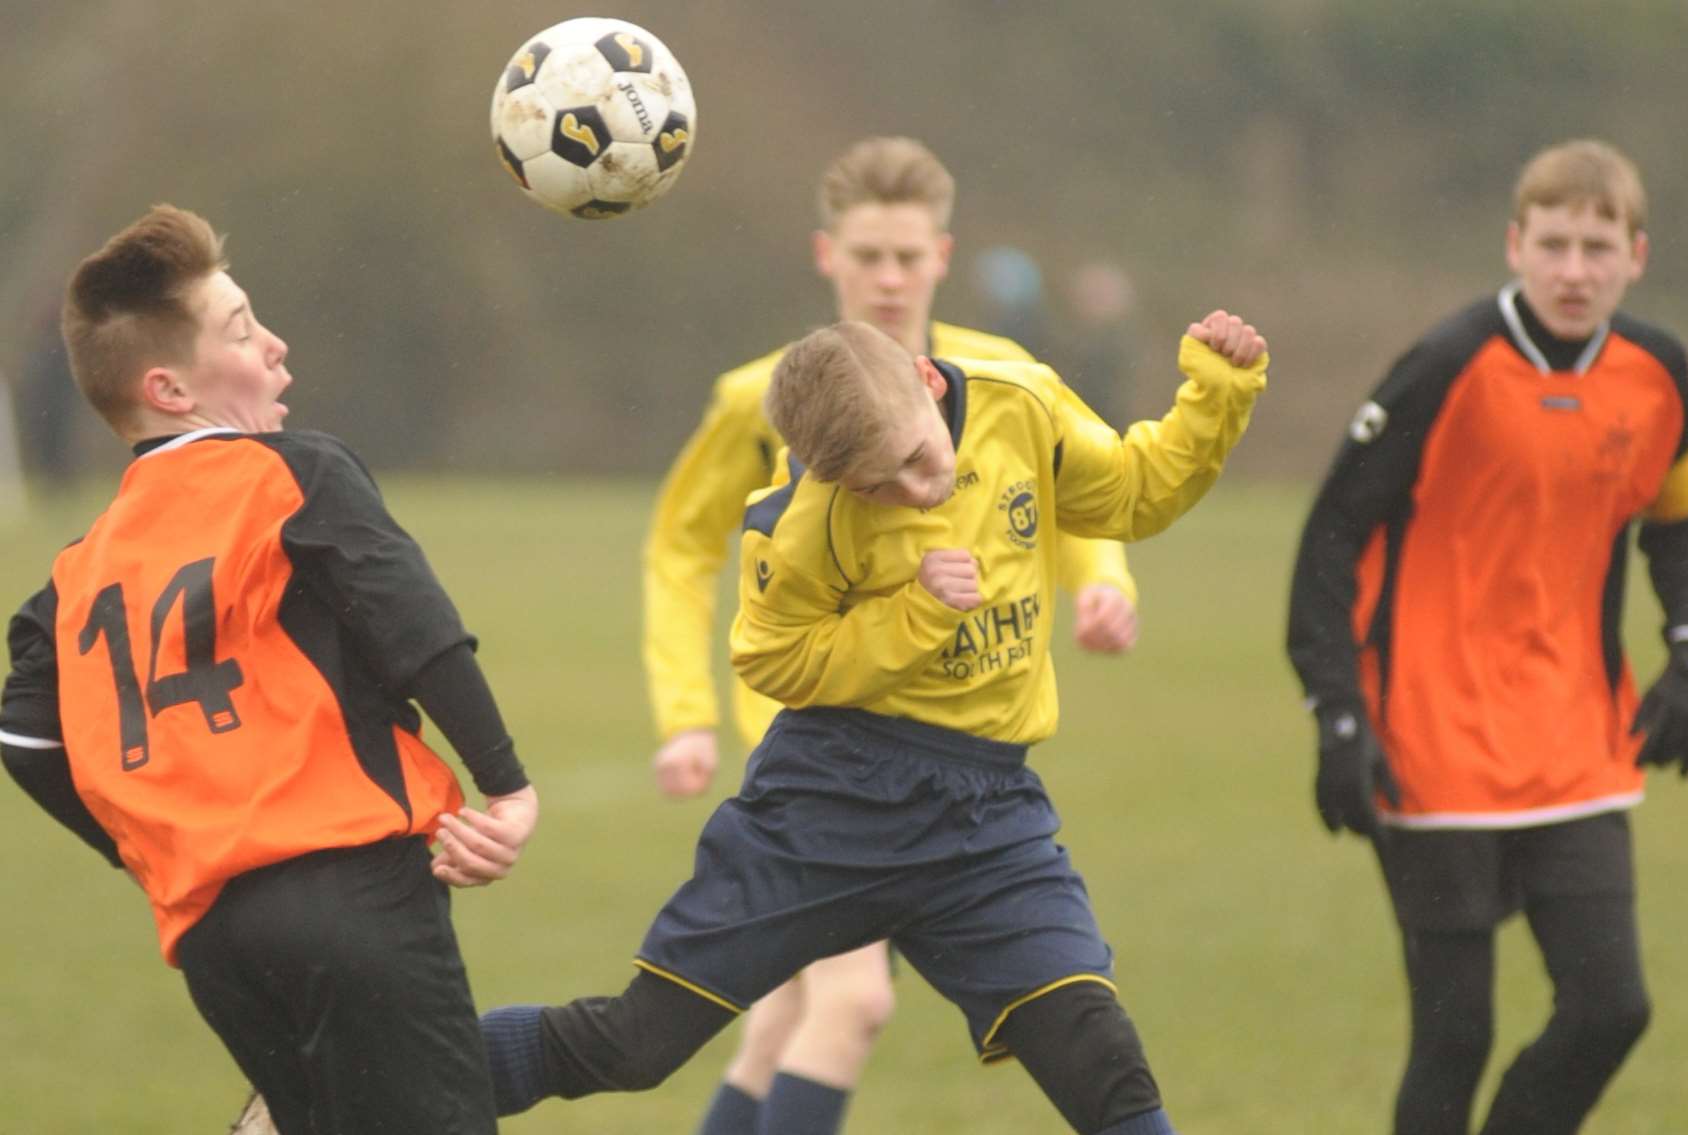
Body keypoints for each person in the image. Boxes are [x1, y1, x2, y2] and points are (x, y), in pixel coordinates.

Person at [483, 312, 1268, 1134]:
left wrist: (1216, 393)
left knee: (1097, 1053)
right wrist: (916, 611)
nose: (914, 491)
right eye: (875, 486)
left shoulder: (1019, 403)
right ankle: (380, 1083)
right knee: (635, 1046)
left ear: (930, 382)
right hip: (830, 803)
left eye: (918, 461)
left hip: (988, 813)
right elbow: (775, 660)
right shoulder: (800, 521)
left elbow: (1132, 494)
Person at [0, 204, 540, 1135]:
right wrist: (507, 782)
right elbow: (415, 627)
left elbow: (25, 735)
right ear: (169, 388)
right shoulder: (295, 472)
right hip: (356, 899)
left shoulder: (73, 573)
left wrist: (160, 843)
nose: (278, 347)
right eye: (245, 330)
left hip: (215, 936)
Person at [643, 135, 1139, 1135]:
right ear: (828, 255)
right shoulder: (769, 397)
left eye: (908, 256)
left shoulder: (1003, 377)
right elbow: (680, 549)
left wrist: (1105, 581)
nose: (888, 276)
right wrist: (687, 714)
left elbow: (1082, 487)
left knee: (783, 1015)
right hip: (822, 741)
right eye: (867, 255)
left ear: (943, 256)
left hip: (963, 744)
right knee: (854, 1001)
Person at [1286, 138, 1688, 1134]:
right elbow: (1330, 539)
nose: (1574, 270)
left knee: (1613, 1009)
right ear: (1514, 243)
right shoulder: (1447, 364)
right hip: (1432, 742)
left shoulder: (1658, 372)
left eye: (1597, 247)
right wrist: (1337, 712)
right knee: (1456, 1034)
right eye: (1553, 243)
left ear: (1636, 255)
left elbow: (1680, 521)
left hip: (1575, 741)